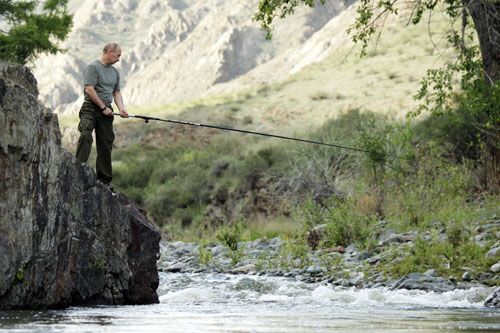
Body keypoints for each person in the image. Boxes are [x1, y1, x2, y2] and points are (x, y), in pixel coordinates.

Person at [75, 42, 128, 189]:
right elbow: (89, 90)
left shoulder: (115, 72)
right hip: (90, 108)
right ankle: (76, 173)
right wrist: (103, 107)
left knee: (105, 144)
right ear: (109, 51)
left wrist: (121, 108)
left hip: (106, 110)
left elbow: (116, 92)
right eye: (118, 55)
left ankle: (104, 180)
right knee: (85, 136)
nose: (119, 58)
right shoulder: (93, 67)